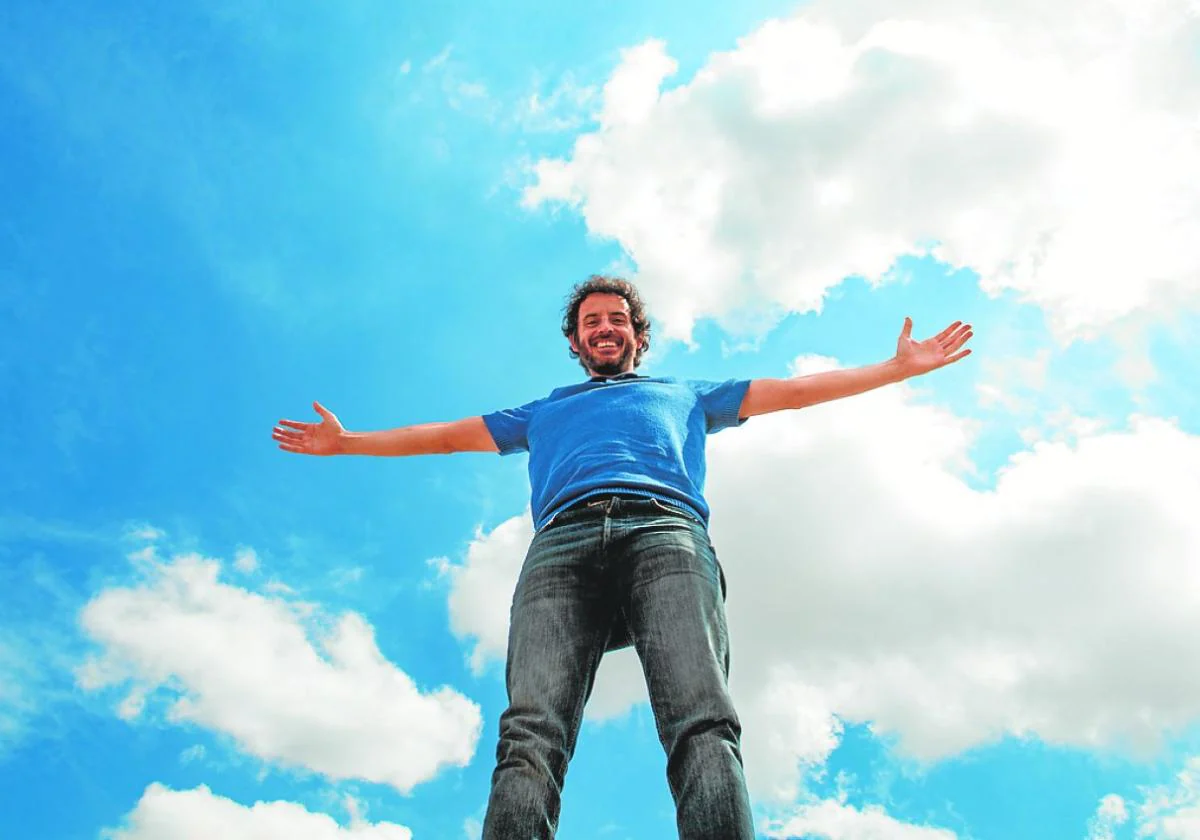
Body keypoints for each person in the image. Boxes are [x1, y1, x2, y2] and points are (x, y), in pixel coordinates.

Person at [272, 275, 973, 839]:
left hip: (664, 534)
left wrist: (892, 370)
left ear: (638, 336)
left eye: (616, 320)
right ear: (578, 344)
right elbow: (448, 436)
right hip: (562, 548)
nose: (604, 329)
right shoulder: (543, 410)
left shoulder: (687, 394)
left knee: (702, 717)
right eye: (590, 324)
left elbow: (790, 392)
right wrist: (349, 441)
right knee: (530, 731)